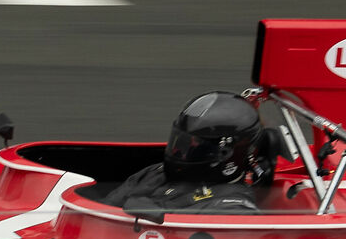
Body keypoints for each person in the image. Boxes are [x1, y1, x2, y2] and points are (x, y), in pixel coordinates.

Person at [101, 91, 273, 214]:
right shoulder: (156, 173)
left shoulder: (234, 208)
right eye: (181, 142)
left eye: (197, 146)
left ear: (226, 155)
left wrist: (143, 209)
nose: (182, 152)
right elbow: (101, 209)